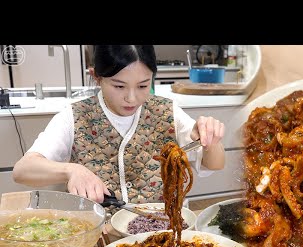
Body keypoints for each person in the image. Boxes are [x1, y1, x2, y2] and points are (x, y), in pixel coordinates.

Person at [13, 45, 225, 205]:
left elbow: (214, 164)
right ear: (96, 77)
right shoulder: (75, 116)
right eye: (119, 86)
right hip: (102, 236)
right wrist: (71, 171)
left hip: (164, 232)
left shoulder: (167, 111)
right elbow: (23, 170)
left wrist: (212, 140)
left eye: (143, 85)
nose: (132, 98)